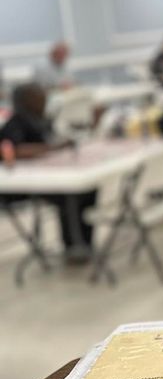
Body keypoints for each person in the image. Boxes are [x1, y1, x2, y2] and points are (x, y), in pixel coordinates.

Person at [0, 83, 96, 261]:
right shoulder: (16, 123)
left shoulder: (40, 120)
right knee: (69, 195)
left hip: (44, 178)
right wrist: (51, 148)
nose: (44, 99)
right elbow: (16, 150)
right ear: (27, 100)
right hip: (19, 185)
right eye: (39, 96)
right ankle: (74, 246)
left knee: (87, 189)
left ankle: (83, 243)